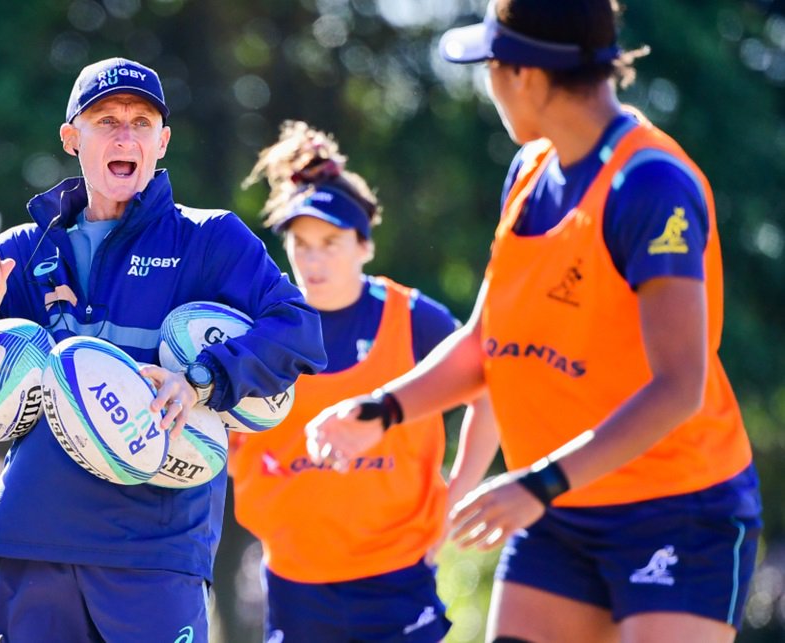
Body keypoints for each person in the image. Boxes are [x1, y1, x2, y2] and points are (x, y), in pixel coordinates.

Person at [306, 2, 762, 642]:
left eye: (490, 65)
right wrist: (379, 411)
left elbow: (679, 386)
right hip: (561, 512)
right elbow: (486, 344)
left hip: (677, 513)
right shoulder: (529, 170)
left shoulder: (650, 185)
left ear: (524, 76)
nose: (486, 82)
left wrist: (539, 484)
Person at [0, 57, 327, 643]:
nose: (125, 134)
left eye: (140, 121)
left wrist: (202, 378)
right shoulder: (22, 252)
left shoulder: (210, 239)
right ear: (73, 138)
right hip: (33, 542)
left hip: (155, 555)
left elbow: (301, 332)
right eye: (106, 120)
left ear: (162, 141)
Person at [228, 121, 498, 643]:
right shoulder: (259, 326)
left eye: (330, 242)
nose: (313, 259)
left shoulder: (414, 320)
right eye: (300, 243)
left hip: (396, 573)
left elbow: (489, 391)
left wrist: (456, 500)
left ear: (364, 245)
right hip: (295, 579)